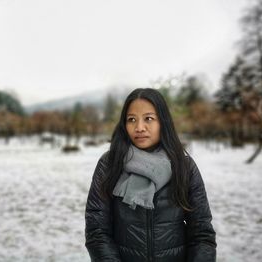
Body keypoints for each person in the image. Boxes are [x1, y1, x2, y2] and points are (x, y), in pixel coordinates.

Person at [85, 88, 216, 262]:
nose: (139, 127)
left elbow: (202, 234)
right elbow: (97, 231)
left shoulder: (183, 166)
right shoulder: (110, 164)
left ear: (163, 121)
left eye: (149, 118)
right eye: (131, 119)